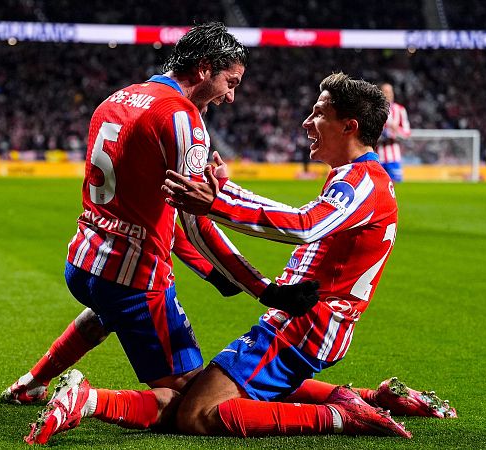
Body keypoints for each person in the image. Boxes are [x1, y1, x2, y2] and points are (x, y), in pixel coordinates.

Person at [27, 73, 456, 444]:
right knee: (229, 391)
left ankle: (342, 416)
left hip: (310, 323)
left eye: (318, 114)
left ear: (349, 126)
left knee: (193, 414)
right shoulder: (353, 176)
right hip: (297, 317)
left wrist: (218, 200)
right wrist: (224, 200)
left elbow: (304, 225)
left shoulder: (365, 182)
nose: (307, 122)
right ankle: (371, 397)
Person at [0, 22, 321, 441]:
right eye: (230, 82)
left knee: (107, 311)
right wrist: (264, 290)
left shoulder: (115, 99)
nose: (230, 96)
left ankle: (32, 382)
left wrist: (211, 274)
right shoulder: (182, 118)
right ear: (205, 68)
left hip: (83, 262)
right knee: (195, 401)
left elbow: (159, 213)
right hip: (134, 280)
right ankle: (87, 399)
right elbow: (194, 219)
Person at [376, 82, 410, 183]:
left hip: (393, 157)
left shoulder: (400, 110)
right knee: (378, 187)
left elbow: (406, 133)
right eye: (385, 91)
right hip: (378, 157)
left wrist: (397, 131)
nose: (388, 94)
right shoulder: (375, 110)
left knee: (393, 189)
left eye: (390, 92)